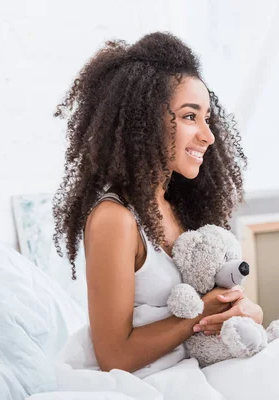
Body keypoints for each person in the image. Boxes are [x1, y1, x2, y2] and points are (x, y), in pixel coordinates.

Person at [52, 31, 263, 375]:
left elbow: (216, 303)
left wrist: (247, 312)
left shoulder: (182, 206)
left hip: (200, 368)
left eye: (207, 117)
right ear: (145, 121)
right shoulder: (115, 219)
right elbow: (114, 357)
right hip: (155, 384)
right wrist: (200, 314)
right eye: (189, 116)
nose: (208, 136)